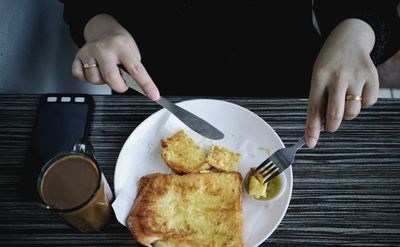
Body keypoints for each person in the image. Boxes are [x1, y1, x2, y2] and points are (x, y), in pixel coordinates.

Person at [60, 1, 400, 148]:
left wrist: (357, 30)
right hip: (149, 86)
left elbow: (369, 4)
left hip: (288, 89)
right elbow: (82, 3)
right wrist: (99, 26)